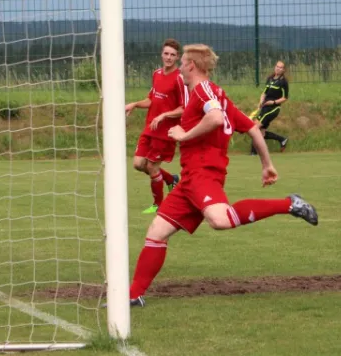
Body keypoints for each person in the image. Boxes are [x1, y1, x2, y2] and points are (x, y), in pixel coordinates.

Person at [128, 45, 318, 307]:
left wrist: (184, 134)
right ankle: (133, 295)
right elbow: (252, 128)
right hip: (189, 179)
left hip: (204, 174)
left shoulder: (204, 90)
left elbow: (216, 118)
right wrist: (267, 164)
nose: (179, 67)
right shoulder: (217, 94)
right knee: (156, 233)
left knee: (220, 220)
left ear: (192, 65)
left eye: (182, 62)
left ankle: (289, 204)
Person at [125, 39, 186, 214]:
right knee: (138, 164)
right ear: (161, 54)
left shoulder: (180, 79)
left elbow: (183, 108)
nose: (169, 57)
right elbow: (151, 99)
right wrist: (135, 104)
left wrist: (164, 115)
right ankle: (171, 179)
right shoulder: (157, 74)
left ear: (177, 57)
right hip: (150, 128)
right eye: (166, 54)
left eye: (172, 55)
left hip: (166, 132)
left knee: (152, 167)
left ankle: (158, 205)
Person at [250, 61, 290, 155]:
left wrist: (274, 102)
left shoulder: (283, 82)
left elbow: (285, 98)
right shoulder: (270, 79)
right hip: (265, 107)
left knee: (254, 128)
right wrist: (261, 101)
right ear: (274, 67)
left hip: (273, 109)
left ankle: (253, 152)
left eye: (281, 67)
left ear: (283, 70)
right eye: (277, 66)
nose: (278, 68)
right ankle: (282, 139)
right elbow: (264, 93)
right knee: (261, 133)